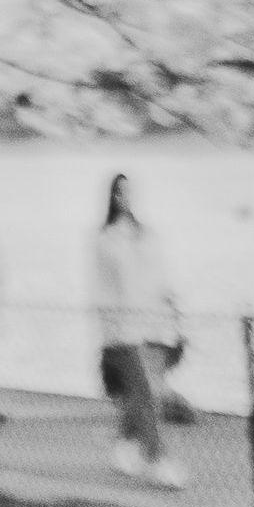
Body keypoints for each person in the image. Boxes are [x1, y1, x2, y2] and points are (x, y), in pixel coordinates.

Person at [93, 173, 187, 479]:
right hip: (122, 330)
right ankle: (157, 458)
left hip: (155, 325)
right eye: (119, 192)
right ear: (112, 197)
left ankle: (124, 446)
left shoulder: (147, 235)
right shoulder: (105, 239)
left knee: (142, 394)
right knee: (145, 393)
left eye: (129, 191)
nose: (125, 197)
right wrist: (108, 331)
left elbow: (160, 278)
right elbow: (104, 289)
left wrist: (174, 315)